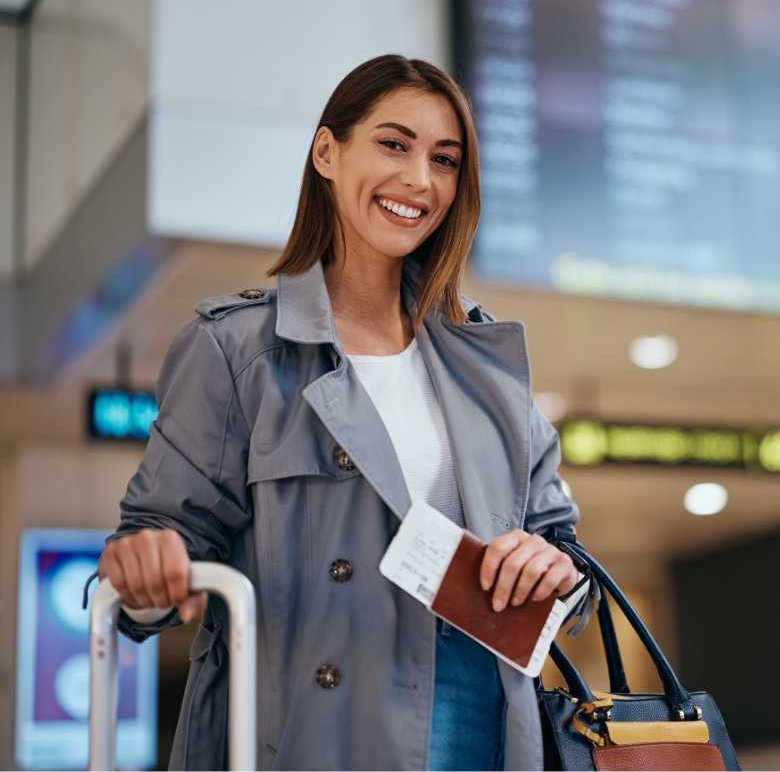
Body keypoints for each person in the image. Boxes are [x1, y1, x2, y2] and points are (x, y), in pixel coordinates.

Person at [98, 54, 581, 772]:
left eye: (444, 159)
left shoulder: (484, 362)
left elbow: (565, 555)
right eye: (393, 144)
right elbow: (156, 552)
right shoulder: (235, 350)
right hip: (314, 738)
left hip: (481, 733)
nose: (419, 179)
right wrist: (144, 570)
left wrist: (553, 567)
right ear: (327, 152)